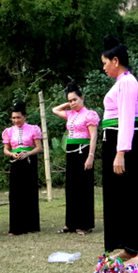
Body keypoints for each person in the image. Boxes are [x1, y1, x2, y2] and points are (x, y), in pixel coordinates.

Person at [101, 35, 138, 265]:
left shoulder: (127, 83)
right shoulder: (119, 83)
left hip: (126, 144)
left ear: (115, 61)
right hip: (114, 140)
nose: (103, 68)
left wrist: (121, 151)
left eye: (104, 63)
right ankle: (129, 247)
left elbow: (126, 119)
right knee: (121, 197)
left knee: (134, 195)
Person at [52, 83, 99, 235]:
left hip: (83, 151)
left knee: (83, 188)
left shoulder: (89, 115)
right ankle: (70, 224)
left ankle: (85, 225)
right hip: (71, 152)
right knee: (71, 188)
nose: (72, 103)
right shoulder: (70, 114)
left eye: (75, 100)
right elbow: (55, 110)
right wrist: (70, 103)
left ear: (82, 98)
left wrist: (90, 156)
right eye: (70, 100)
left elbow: (93, 137)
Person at [2, 101, 42, 236]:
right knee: (15, 194)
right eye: (13, 118)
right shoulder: (8, 131)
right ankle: (15, 227)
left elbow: (38, 147)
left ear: (24, 117)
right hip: (16, 162)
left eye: (18, 117)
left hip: (29, 162)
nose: (16, 120)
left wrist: (28, 153)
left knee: (29, 192)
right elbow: (6, 149)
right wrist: (12, 154)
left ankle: (30, 225)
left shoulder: (33, 129)